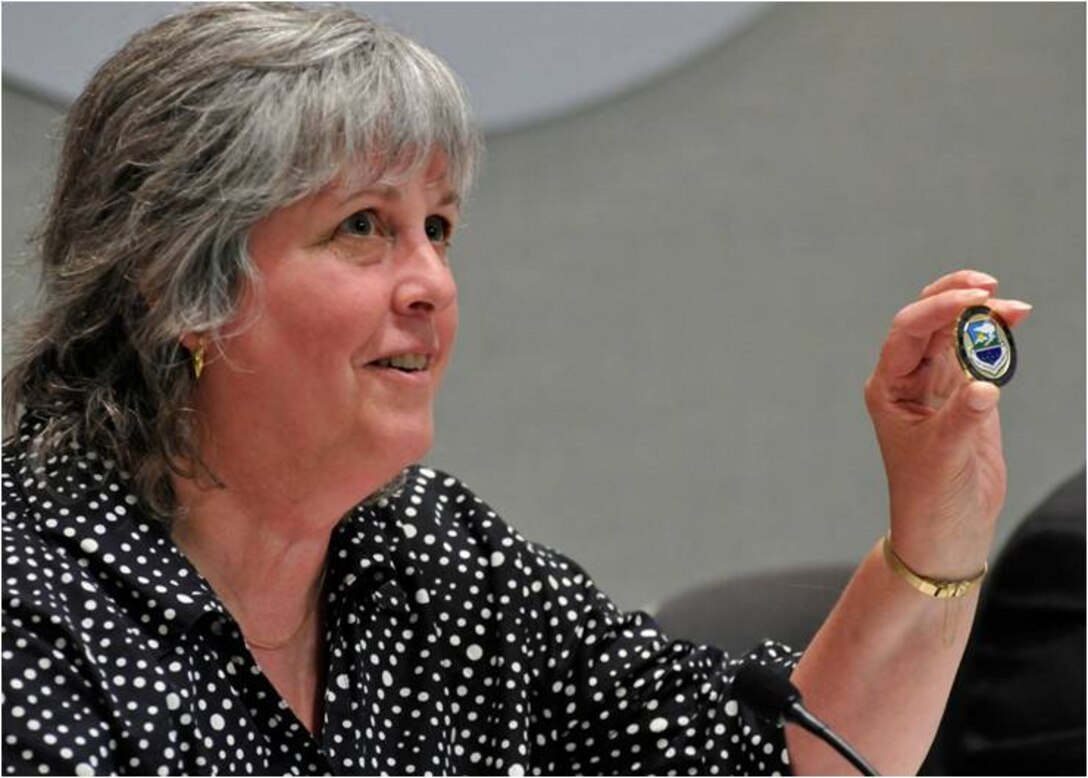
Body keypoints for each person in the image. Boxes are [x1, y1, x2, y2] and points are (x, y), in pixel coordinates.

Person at [1, 3, 1034, 775]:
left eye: (437, 228)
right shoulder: (29, 611)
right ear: (182, 283)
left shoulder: (433, 557)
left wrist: (937, 518)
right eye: (363, 225)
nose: (432, 284)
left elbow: (774, 757)